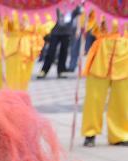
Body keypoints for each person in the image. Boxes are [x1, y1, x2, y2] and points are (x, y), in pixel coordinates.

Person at [81, 14, 127, 147]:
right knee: (94, 97)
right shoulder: (101, 6)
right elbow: (87, 23)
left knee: (122, 98)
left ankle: (119, 134)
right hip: (101, 53)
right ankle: (90, 132)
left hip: (124, 54)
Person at [39, 9, 76, 79]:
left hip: (66, 31)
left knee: (64, 51)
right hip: (54, 30)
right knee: (51, 50)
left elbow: (76, 12)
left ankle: (61, 71)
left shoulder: (71, 4)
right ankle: (44, 70)